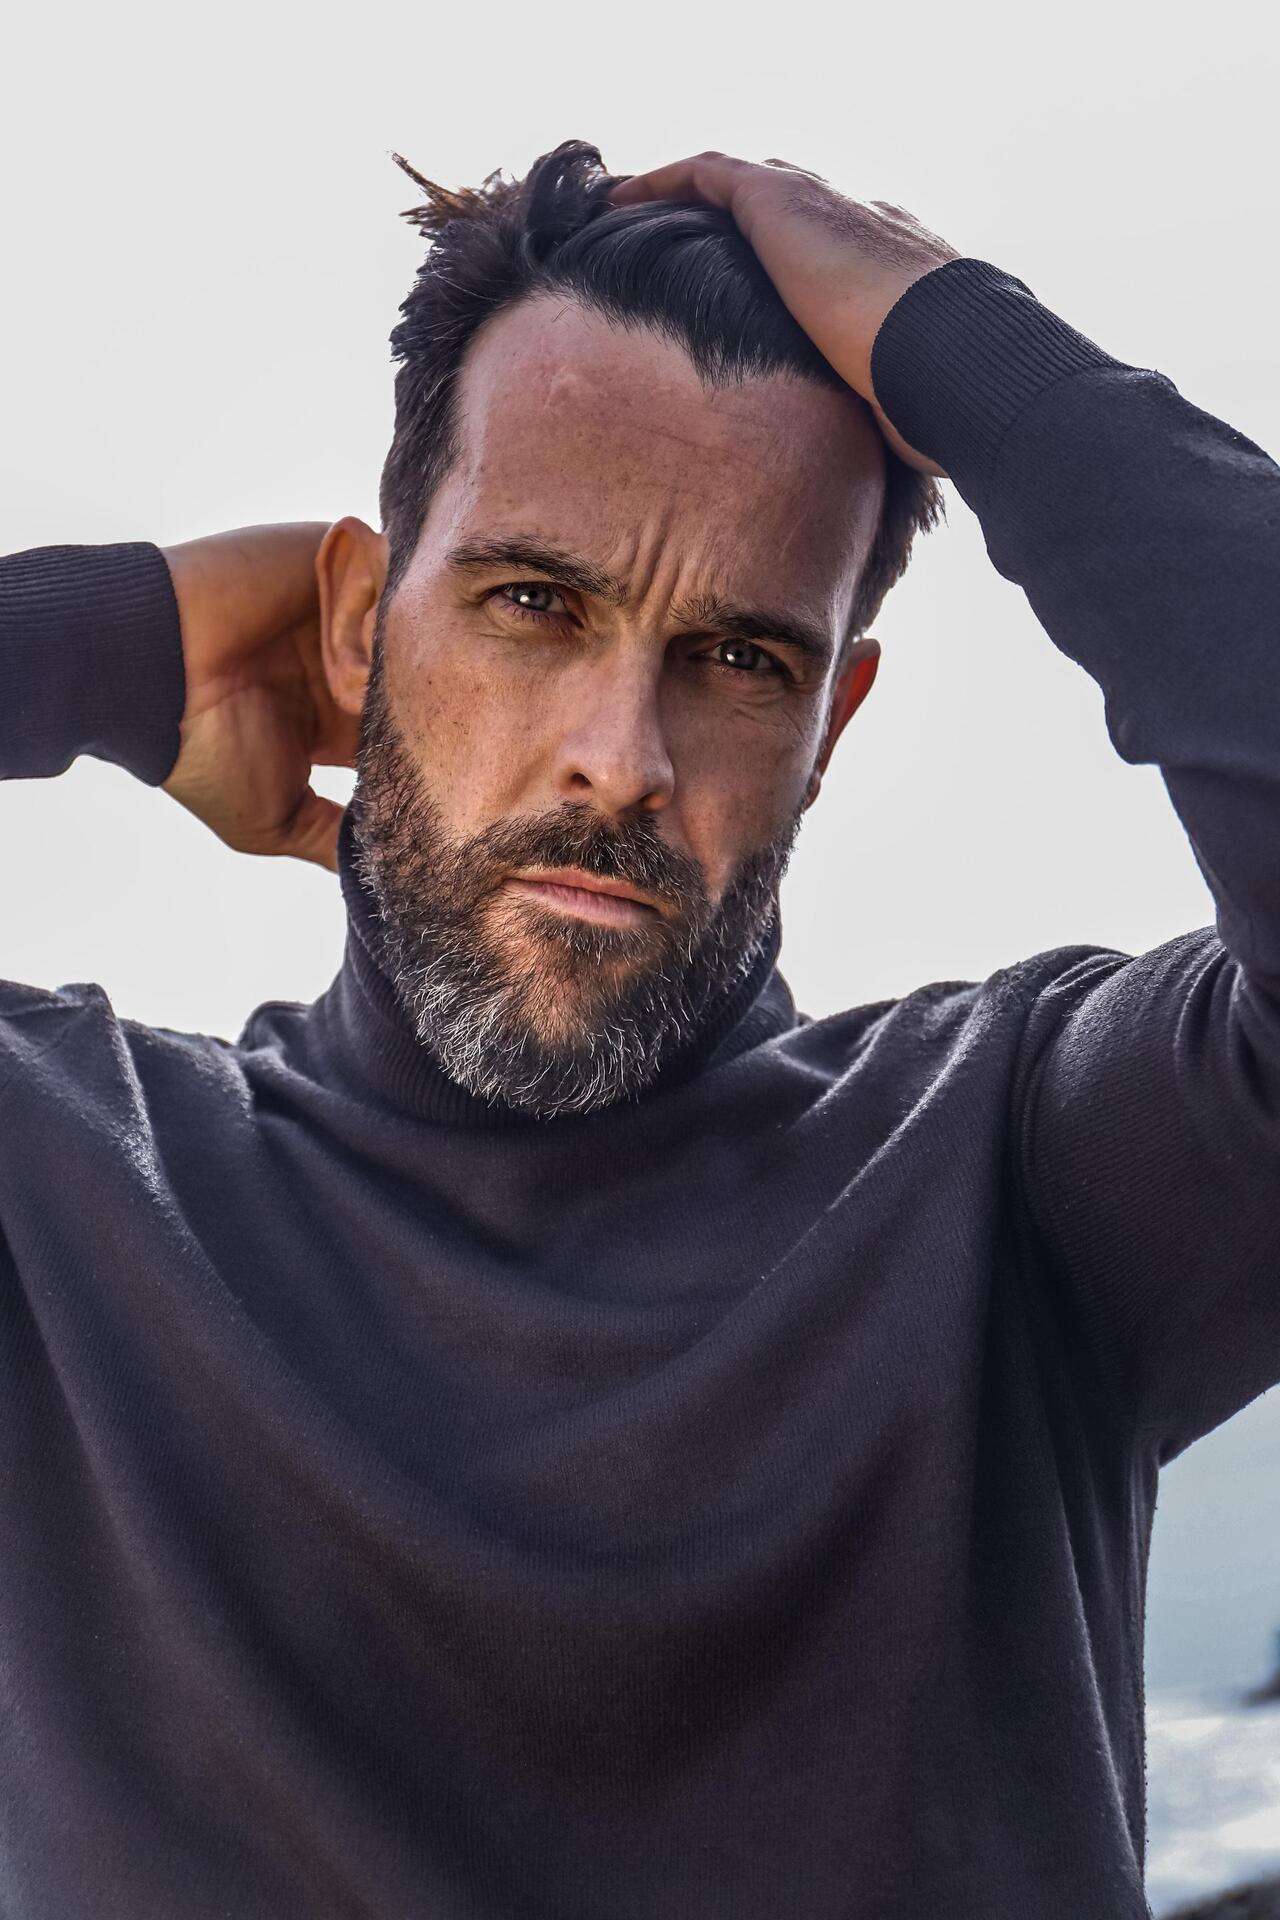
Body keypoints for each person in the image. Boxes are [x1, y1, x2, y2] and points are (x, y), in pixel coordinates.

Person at [0, 139, 1275, 1920]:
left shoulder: (1025, 1175)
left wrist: (962, 344)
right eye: (534, 604)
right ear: (364, 624)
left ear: (833, 725)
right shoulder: (65, 1188)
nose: (624, 758)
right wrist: (117, 639)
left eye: (741, 660)